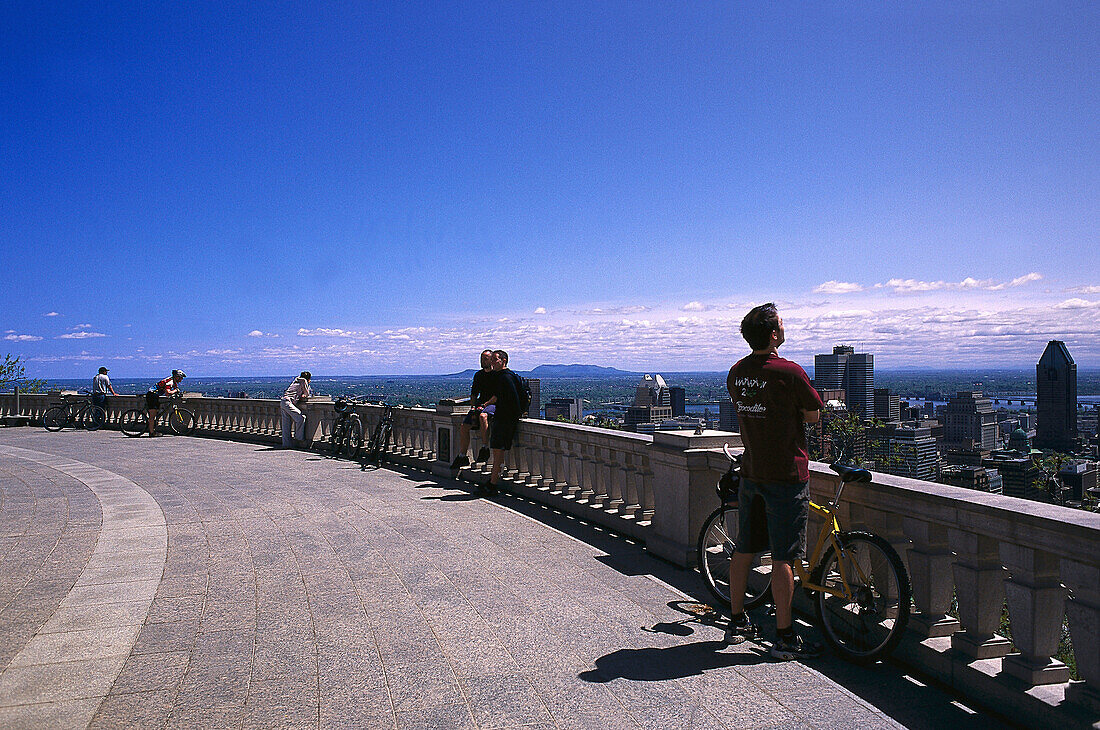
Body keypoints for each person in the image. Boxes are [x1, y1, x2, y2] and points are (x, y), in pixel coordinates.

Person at [725, 303, 823, 660]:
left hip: (751, 472)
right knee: (784, 556)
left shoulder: (736, 372)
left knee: (745, 548)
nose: (784, 327)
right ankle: (785, 634)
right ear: (773, 334)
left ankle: (736, 621)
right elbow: (812, 415)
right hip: (786, 474)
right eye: (781, 323)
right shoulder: (790, 373)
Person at [479, 350, 524, 495]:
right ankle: (492, 481)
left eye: (494, 360)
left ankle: (493, 484)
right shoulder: (505, 376)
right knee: (498, 452)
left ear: (503, 360)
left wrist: (511, 418)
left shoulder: (506, 378)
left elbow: (513, 400)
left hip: (505, 420)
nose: (491, 362)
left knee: (498, 451)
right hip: (503, 418)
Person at [450, 351, 494, 469]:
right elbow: (474, 394)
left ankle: (485, 448)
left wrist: (485, 405)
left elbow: (498, 395)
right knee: (464, 426)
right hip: (480, 404)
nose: (482, 361)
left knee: (483, 416)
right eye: (481, 358)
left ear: (491, 360)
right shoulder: (478, 375)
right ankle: (462, 455)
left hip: (493, 404)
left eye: (485, 358)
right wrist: (473, 407)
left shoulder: (496, 375)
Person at [146, 369, 186, 436]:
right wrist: (175, 391)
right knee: (152, 416)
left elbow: (170, 393)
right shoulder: (170, 381)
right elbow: (168, 392)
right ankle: (151, 432)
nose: (181, 380)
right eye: (181, 378)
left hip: (155, 396)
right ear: (177, 377)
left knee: (157, 412)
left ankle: (153, 429)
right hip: (152, 395)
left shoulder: (173, 382)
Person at [280, 371, 313, 448]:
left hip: (283, 401)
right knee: (301, 418)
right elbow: (306, 393)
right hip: (288, 402)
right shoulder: (303, 380)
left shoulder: (296, 381)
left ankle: (286, 444)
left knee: (286, 425)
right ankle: (299, 438)